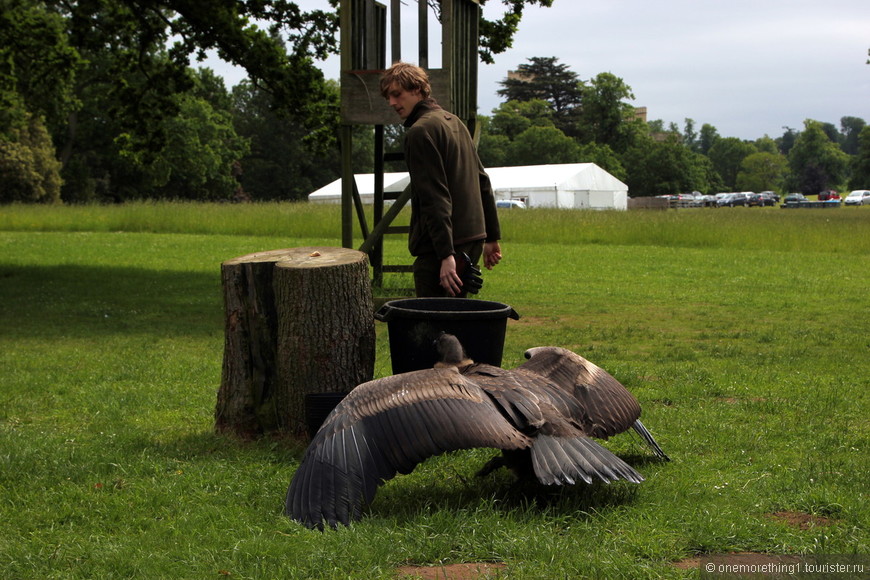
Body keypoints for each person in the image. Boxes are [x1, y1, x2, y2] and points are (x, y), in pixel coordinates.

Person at [379, 62, 502, 297]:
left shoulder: (420, 131)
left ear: (417, 89)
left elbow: (435, 198)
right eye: (388, 97)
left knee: (433, 327)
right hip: (472, 239)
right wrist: (491, 236)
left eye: (397, 95)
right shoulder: (454, 123)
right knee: (456, 321)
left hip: (443, 249)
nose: (392, 103)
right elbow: (482, 181)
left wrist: (446, 255)